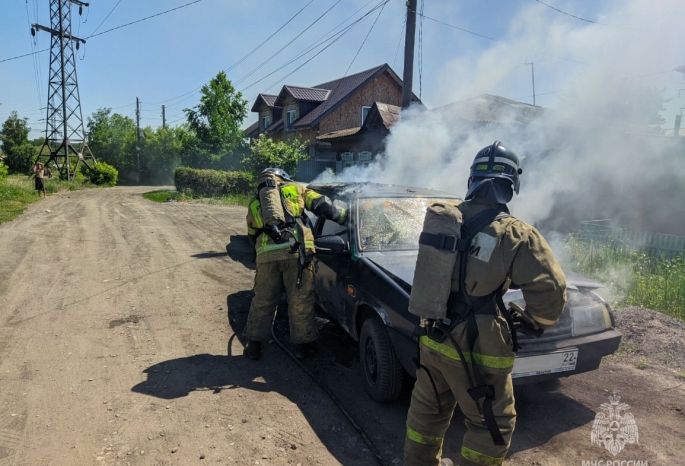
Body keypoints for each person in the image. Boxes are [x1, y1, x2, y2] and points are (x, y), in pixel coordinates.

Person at [404, 141, 567, 466]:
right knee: (492, 425)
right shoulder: (515, 234)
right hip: (479, 351)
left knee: (427, 414)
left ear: (472, 180)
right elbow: (552, 290)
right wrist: (534, 323)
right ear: (510, 184)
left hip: (433, 338)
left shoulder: (448, 219)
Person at [243, 167, 347, 361]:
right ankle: (303, 347)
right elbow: (321, 205)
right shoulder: (297, 188)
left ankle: (253, 346)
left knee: (263, 300)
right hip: (295, 253)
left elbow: (251, 233)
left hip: (266, 257)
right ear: (283, 178)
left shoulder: (256, 201)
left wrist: (261, 252)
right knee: (300, 300)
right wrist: (343, 216)